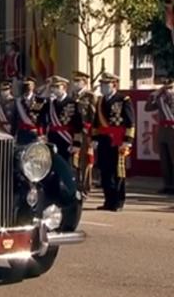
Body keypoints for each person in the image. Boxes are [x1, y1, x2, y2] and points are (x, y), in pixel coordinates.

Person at [92, 72, 135, 211]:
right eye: (102, 84)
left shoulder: (123, 99)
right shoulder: (100, 101)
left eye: (106, 84)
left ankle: (118, 201)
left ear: (114, 84)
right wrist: (94, 139)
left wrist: (127, 141)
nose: (103, 87)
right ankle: (108, 200)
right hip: (104, 140)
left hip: (118, 140)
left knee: (118, 172)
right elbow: (96, 123)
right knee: (105, 171)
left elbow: (130, 122)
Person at [144, 80, 174, 194]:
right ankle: (168, 185)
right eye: (166, 86)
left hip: (172, 129)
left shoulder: (168, 98)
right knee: (165, 159)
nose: (168, 89)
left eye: (170, 86)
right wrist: (154, 95)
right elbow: (148, 108)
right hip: (163, 130)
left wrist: (163, 95)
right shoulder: (161, 98)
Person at [45, 75, 83, 163]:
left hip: (66, 139)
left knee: (66, 165)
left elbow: (78, 125)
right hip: (53, 139)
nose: (54, 89)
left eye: (57, 87)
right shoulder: (50, 104)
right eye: (53, 87)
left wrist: (76, 144)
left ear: (64, 87)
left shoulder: (73, 103)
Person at [73, 71, 97, 196]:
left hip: (85, 132)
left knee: (85, 160)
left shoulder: (90, 96)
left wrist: (92, 134)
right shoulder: (72, 96)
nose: (75, 83)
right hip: (73, 132)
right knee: (74, 159)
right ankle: (76, 184)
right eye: (74, 81)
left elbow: (93, 116)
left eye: (78, 81)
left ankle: (85, 185)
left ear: (85, 82)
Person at [14, 76, 47, 144]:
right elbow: (14, 118)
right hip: (22, 132)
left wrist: (42, 133)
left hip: (35, 132)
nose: (28, 87)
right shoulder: (19, 101)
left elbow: (42, 118)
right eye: (26, 85)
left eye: (30, 85)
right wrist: (14, 133)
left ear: (33, 86)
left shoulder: (40, 100)